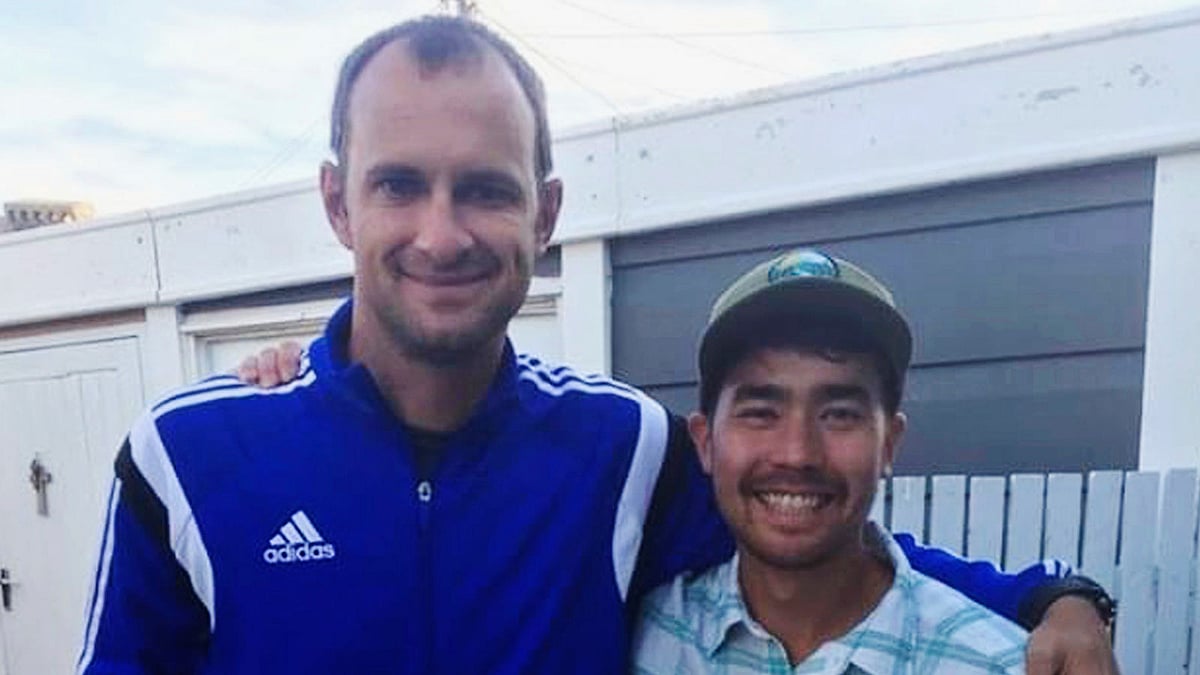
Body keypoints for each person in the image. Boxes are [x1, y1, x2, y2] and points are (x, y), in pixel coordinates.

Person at [78, 14, 1115, 675]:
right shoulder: (191, 460)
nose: (442, 234)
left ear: (547, 213)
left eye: (486, 189)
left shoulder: (619, 447)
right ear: (338, 202)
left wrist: (1049, 597)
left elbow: (810, 522)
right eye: (401, 184)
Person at [632, 248, 1028, 672]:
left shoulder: (996, 665)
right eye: (761, 413)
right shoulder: (645, 638)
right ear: (705, 442)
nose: (797, 453)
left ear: (889, 444)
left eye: (839, 415)